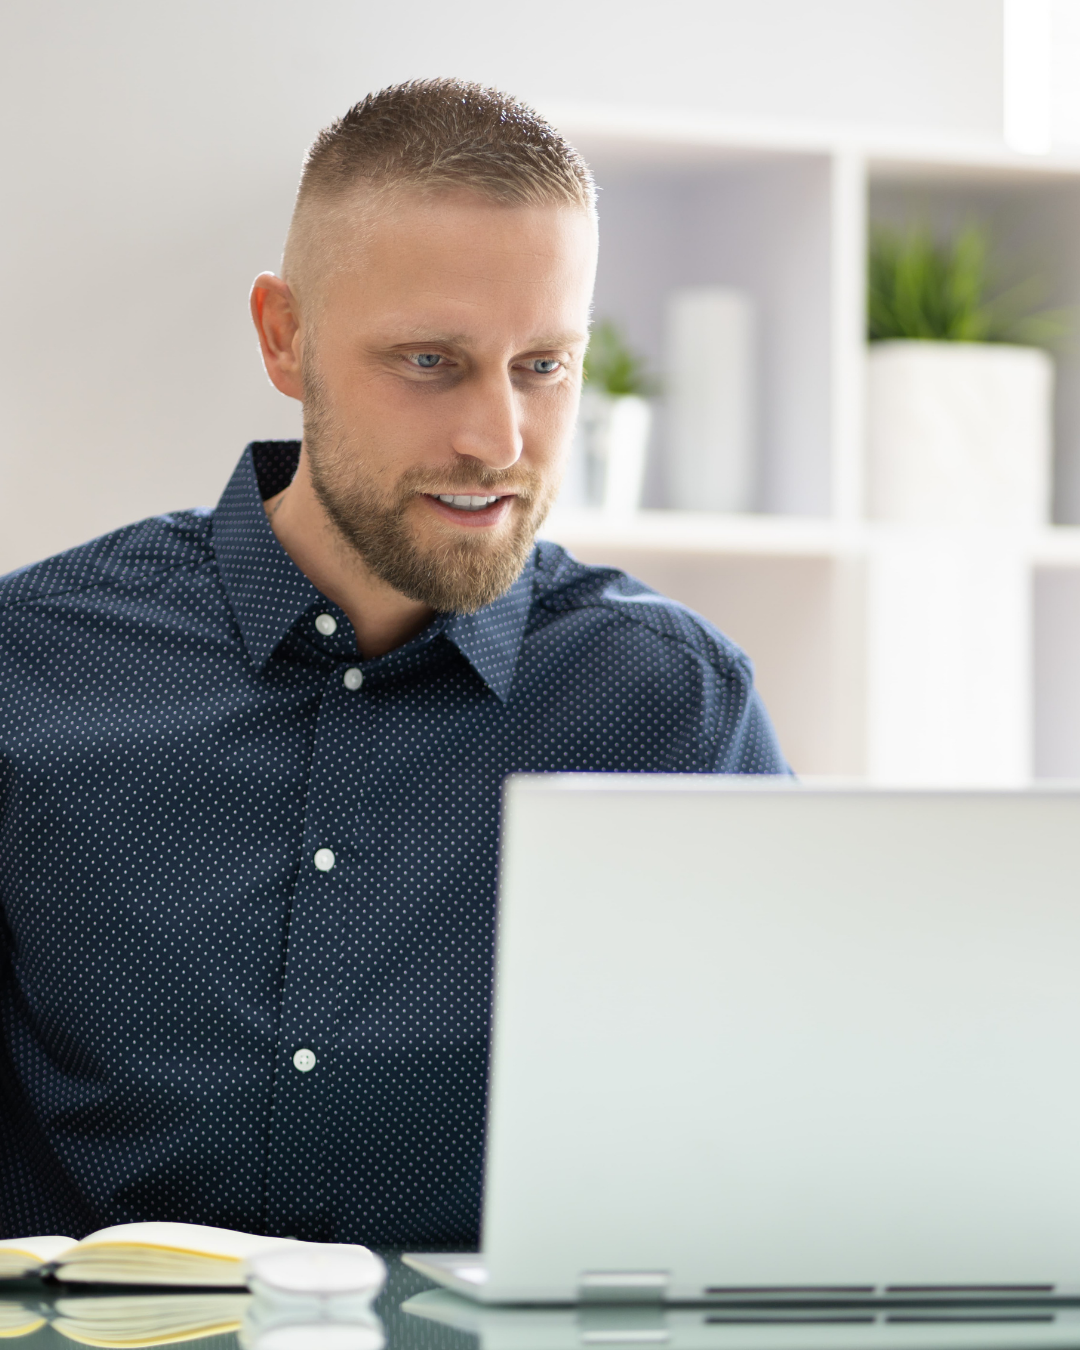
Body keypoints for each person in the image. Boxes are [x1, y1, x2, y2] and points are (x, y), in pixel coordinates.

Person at [0, 79, 787, 1247]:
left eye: (543, 366)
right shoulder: (31, 667)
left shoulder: (676, 710)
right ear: (285, 336)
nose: (497, 441)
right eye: (430, 361)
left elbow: (773, 1165)